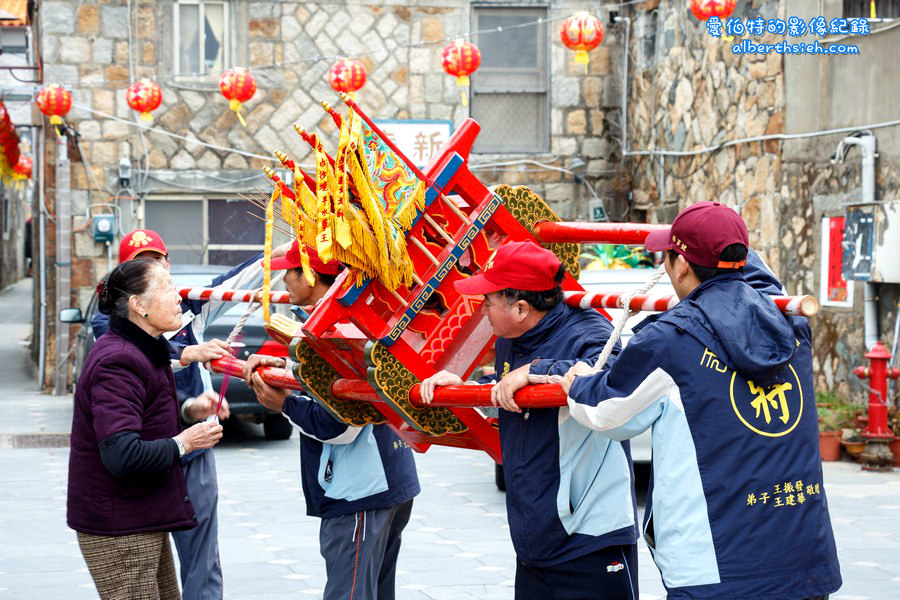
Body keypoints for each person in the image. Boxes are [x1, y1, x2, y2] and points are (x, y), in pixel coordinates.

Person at [562, 202, 842, 599]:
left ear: (680, 267)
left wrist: (577, 381)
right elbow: (760, 281)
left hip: (716, 570)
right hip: (803, 563)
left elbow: (605, 412)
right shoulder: (790, 323)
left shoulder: (668, 340)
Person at [419, 241, 639, 600]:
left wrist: (537, 371)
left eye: (488, 300)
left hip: (590, 539)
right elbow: (511, 395)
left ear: (520, 308)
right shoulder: (513, 336)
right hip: (534, 539)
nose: (482, 309)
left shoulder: (588, 330)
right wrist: (466, 391)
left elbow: (614, 376)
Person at [92, 229, 280, 600]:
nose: (156, 271)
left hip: (192, 452)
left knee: (202, 561)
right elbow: (133, 360)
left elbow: (243, 277)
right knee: (143, 569)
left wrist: (285, 250)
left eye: (159, 262)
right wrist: (186, 357)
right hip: (142, 458)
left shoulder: (188, 309)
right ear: (131, 290)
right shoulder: (110, 330)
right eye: (142, 264)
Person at [240, 239, 420, 600]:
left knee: (349, 594)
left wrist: (284, 403)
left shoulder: (335, 327)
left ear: (309, 274)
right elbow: (328, 381)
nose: (284, 283)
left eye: (289, 274)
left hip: (361, 486)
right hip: (391, 474)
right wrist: (289, 369)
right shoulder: (351, 314)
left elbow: (338, 423)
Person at [68, 258, 224, 600]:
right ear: (139, 306)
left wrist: (190, 410)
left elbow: (146, 416)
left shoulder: (143, 348)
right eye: (168, 288)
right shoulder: (118, 360)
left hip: (141, 517)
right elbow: (122, 454)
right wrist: (185, 442)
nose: (179, 297)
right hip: (119, 527)